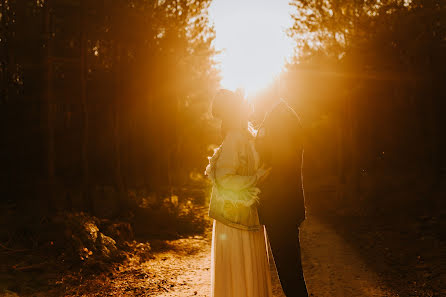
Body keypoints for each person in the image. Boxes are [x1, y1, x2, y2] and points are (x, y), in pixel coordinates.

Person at [205, 89, 273, 297]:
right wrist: (257, 178)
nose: (249, 105)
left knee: (248, 270)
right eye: (244, 103)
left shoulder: (246, 135)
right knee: (241, 271)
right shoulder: (234, 137)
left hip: (247, 215)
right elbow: (224, 179)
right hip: (233, 221)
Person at [255, 88, 309, 297]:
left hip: (281, 206)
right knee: (290, 272)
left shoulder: (281, 118)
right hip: (281, 205)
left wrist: (259, 175)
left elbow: (282, 162)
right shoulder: (279, 115)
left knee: (290, 273)